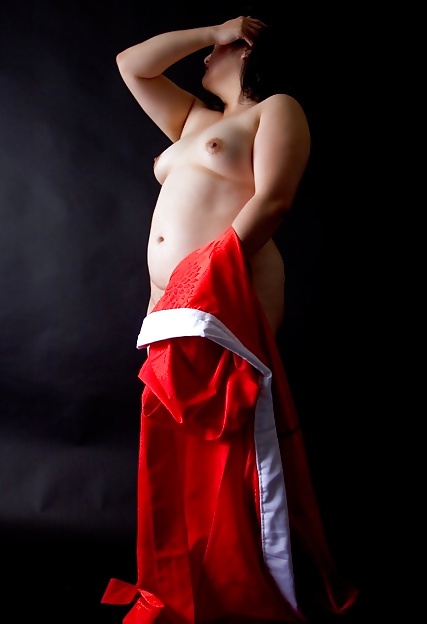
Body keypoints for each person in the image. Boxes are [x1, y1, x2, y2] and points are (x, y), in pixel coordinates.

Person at [101, 14, 358, 624]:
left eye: (220, 48)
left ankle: (247, 587)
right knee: (176, 453)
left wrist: (203, 272)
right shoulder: (194, 121)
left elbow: (275, 199)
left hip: (224, 293)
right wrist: (214, 29)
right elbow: (131, 64)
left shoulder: (277, 109)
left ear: (249, 52)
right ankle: (192, 581)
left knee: (236, 449)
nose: (205, 57)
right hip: (173, 308)